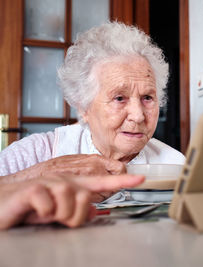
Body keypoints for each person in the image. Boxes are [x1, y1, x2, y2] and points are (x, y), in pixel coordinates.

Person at [0, 22, 185, 200]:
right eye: (119, 98)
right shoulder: (36, 154)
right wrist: (36, 176)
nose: (138, 116)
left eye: (147, 98)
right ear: (83, 107)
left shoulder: (176, 164)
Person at [0, 174, 144, 229]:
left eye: (150, 104)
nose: (138, 116)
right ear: (84, 111)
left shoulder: (166, 154)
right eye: (119, 104)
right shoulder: (28, 150)